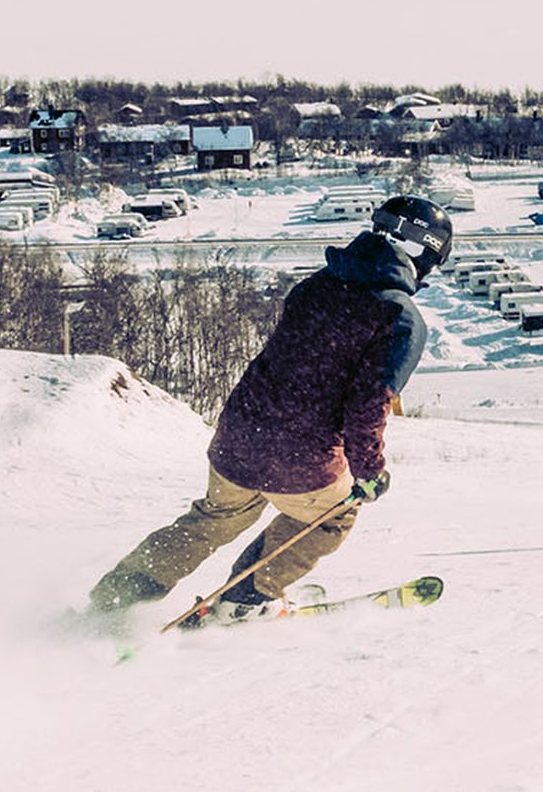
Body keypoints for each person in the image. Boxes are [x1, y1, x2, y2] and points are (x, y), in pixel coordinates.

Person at [85, 194, 452, 626]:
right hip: (303, 459)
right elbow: (367, 406)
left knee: (216, 517)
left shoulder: (317, 284)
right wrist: (370, 473)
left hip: (239, 435)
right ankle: (246, 595)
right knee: (333, 517)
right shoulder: (400, 318)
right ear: (422, 253)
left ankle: (116, 595)